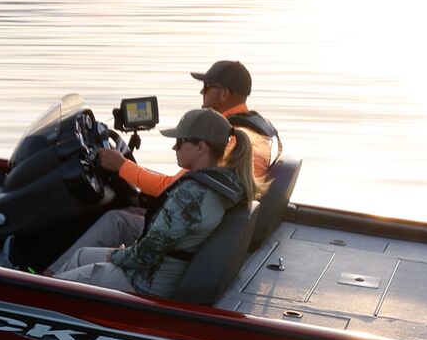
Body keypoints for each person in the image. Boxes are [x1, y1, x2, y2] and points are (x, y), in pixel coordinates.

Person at [49, 109, 260, 297]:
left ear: (201, 147)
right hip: (160, 271)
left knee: (58, 287)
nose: (174, 147)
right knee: (79, 256)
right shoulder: (228, 183)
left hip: (146, 283)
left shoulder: (190, 196)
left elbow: (143, 256)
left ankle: (36, 306)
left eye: (180, 141)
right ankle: (43, 281)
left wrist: (113, 255)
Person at [97, 59, 280, 199]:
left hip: (206, 225)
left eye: (206, 87)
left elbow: (169, 187)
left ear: (224, 94)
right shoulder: (255, 129)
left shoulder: (226, 140)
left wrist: (121, 165)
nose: (201, 92)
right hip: (222, 211)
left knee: (116, 220)